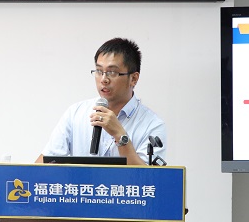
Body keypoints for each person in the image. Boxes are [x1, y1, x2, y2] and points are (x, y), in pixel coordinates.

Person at [36, 37, 166, 165]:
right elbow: (42, 165)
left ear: (133, 79)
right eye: (99, 71)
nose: (104, 79)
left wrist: (120, 136)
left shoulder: (152, 125)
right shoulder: (75, 114)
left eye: (112, 72)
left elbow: (146, 177)